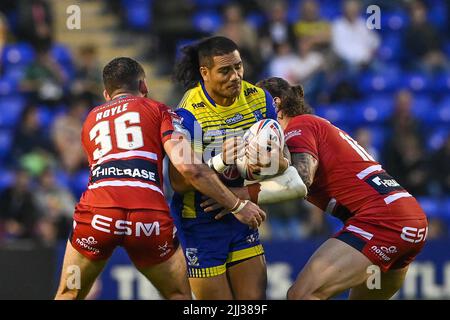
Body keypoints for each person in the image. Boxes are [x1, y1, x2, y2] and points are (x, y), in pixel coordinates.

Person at [54, 57, 266, 300]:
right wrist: (237, 205)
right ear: (143, 86)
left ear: (106, 94)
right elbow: (189, 167)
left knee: (69, 292)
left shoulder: (91, 119)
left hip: (99, 214)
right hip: (148, 216)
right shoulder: (160, 110)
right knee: (178, 295)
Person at [209, 77, 428, 299]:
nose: (249, 112)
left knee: (301, 295)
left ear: (275, 103)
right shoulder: (306, 129)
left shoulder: (299, 126)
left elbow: (301, 180)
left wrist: (238, 197)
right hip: (409, 221)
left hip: (382, 222)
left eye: (254, 104)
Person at [171, 36, 306, 299]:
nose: (235, 76)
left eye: (238, 67)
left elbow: (283, 161)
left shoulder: (258, 99)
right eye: (225, 70)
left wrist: (268, 160)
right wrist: (220, 160)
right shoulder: (189, 112)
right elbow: (177, 181)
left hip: (241, 216)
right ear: (205, 73)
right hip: (200, 221)